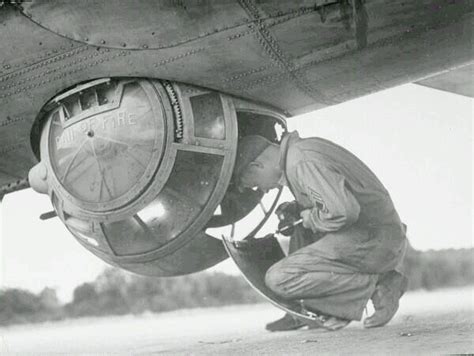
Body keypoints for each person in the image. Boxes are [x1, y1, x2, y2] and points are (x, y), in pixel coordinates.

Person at [233, 132, 408, 331]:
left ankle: (380, 284)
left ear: (257, 166)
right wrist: (298, 210)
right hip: (378, 236)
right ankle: (311, 308)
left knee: (279, 279)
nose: (263, 190)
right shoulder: (299, 153)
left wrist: (310, 218)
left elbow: (342, 211)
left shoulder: (301, 163)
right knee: (302, 222)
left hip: (374, 242)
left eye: (255, 184)